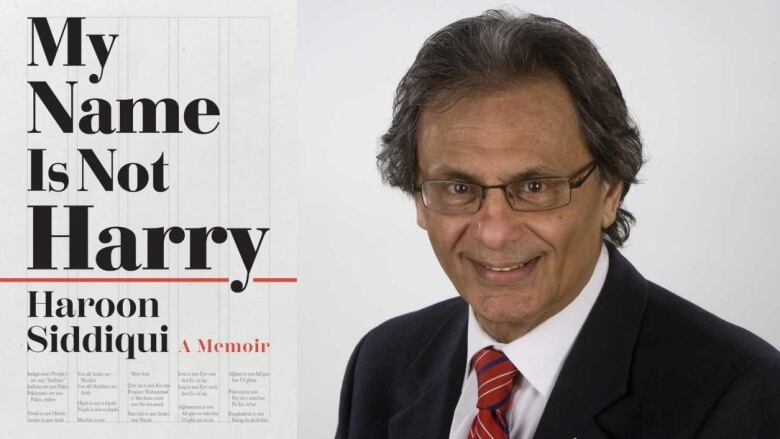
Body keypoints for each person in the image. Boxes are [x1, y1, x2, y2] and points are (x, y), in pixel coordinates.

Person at [335, 10, 780, 439]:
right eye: (458, 188)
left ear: (611, 190)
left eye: (534, 188)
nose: (494, 232)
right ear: (418, 199)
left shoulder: (742, 394)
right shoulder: (382, 365)